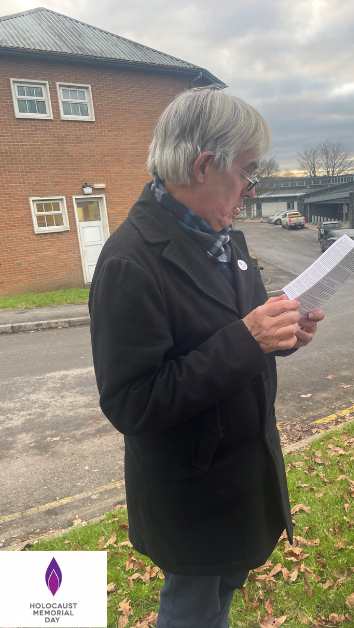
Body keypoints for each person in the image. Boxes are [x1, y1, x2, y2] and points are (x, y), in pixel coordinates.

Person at [90, 87, 324, 628]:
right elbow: (131, 403)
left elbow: (233, 337)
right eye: (246, 172)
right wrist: (250, 339)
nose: (251, 189)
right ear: (202, 166)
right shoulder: (130, 262)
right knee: (193, 607)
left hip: (241, 475)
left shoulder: (226, 241)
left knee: (222, 592)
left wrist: (281, 333)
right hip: (192, 494)